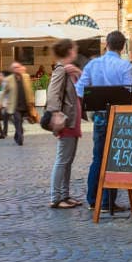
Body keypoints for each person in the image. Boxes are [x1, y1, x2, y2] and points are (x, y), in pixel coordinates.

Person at [75, 30, 132, 211]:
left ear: (106, 45)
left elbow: (79, 90)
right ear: (122, 47)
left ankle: (94, 199)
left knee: (98, 157)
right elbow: (129, 95)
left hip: (100, 115)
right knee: (113, 158)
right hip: (118, 116)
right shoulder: (125, 66)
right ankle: (108, 201)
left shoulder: (93, 65)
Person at [46, 39, 83, 209]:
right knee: (62, 160)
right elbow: (53, 93)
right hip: (66, 121)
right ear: (69, 51)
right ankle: (55, 197)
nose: (76, 51)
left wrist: (78, 72)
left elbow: (82, 89)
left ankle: (65, 195)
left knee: (68, 160)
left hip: (73, 121)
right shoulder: (61, 69)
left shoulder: (70, 70)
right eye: (74, 49)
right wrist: (55, 114)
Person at [0, 62, 29, 146]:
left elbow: (29, 91)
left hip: (25, 105)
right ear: (12, 70)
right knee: (18, 120)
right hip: (14, 105)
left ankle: (17, 136)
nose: (17, 69)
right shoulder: (8, 79)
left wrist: (31, 102)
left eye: (18, 67)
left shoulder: (26, 77)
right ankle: (20, 138)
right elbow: (3, 91)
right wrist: (0, 102)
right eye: (15, 68)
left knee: (20, 122)